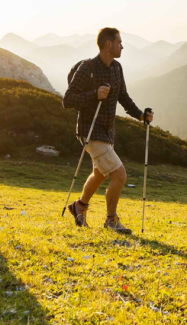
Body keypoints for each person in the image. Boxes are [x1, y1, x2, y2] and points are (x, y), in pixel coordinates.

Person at [62, 27, 154, 234]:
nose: (122, 46)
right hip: (90, 130)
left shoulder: (117, 68)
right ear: (108, 44)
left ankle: (79, 206)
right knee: (119, 175)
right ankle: (111, 220)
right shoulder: (88, 68)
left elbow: (123, 97)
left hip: (107, 132)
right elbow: (67, 100)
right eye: (119, 42)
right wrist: (94, 94)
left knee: (100, 173)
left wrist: (140, 115)